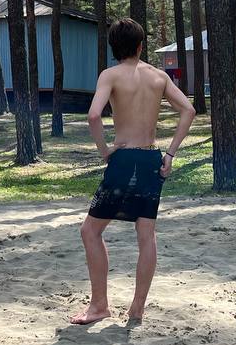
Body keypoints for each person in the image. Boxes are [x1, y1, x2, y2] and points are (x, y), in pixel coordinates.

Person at [72, 18, 196, 326]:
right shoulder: (158, 76)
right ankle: (137, 308)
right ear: (141, 46)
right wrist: (170, 154)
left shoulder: (110, 75)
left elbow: (93, 116)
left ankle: (99, 305)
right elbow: (188, 110)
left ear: (114, 47)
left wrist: (104, 151)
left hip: (124, 158)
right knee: (146, 235)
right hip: (151, 158)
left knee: (90, 231)